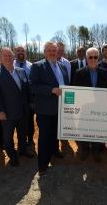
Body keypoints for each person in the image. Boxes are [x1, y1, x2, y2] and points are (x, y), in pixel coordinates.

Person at [0, 48, 32, 166]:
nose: (8, 58)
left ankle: (22, 150)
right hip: (7, 112)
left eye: (10, 55)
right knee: (8, 136)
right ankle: (12, 155)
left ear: (14, 57)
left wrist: (30, 104)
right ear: (0, 57)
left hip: (23, 110)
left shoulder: (21, 71)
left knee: (23, 133)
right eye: (5, 55)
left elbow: (26, 90)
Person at [30, 42, 69, 175]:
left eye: (54, 50)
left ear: (58, 51)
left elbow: (67, 86)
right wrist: (51, 90)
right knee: (45, 136)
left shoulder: (63, 67)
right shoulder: (38, 66)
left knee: (56, 133)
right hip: (45, 110)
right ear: (45, 52)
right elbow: (33, 86)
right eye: (49, 50)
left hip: (61, 108)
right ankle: (43, 164)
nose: (52, 52)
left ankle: (54, 151)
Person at [72, 47, 107, 162]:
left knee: (97, 129)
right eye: (90, 57)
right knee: (84, 129)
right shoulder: (79, 73)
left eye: (95, 57)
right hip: (84, 108)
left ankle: (96, 150)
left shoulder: (105, 72)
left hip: (99, 108)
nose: (93, 59)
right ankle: (84, 149)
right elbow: (76, 92)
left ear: (98, 58)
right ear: (86, 58)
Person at [13, 46, 36, 155]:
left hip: (29, 100)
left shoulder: (31, 66)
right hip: (15, 101)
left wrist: (32, 100)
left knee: (30, 121)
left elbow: (34, 83)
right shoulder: (11, 65)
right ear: (15, 53)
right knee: (18, 122)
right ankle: (21, 142)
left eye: (22, 51)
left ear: (25, 53)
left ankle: (30, 139)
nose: (20, 53)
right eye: (18, 51)